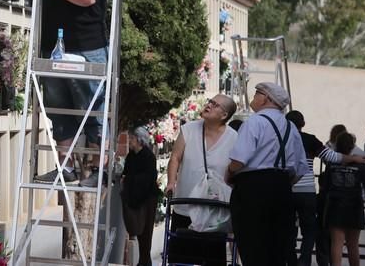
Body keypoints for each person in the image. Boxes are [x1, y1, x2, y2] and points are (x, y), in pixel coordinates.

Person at [0, 0, 109, 188]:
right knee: (59, 109)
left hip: (87, 48)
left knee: (92, 108)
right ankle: (65, 167)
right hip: (55, 48)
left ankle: (96, 171)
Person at [225, 82, 307, 266]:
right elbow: (301, 167)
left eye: (257, 93)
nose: (254, 96)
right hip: (282, 188)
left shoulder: (255, 121)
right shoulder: (291, 127)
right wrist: (283, 183)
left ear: (267, 98)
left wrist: (229, 172)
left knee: (252, 246)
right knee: (277, 248)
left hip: (253, 189)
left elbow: (239, 160)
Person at [284, 111, 365, 266]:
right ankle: (305, 259)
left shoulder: (280, 138)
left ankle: (291, 260)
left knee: (287, 228)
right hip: (307, 190)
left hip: (286, 190)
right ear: (303, 124)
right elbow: (331, 157)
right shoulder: (310, 140)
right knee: (309, 229)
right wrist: (353, 158)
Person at [165, 94, 238, 266]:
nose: (209, 105)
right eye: (210, 102)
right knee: (180, 257)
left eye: (215, 105)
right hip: (186, 203)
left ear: (224, 115)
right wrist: (171, 182)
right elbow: (175, 157)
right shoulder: (189, 129)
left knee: (212, 257)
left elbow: (236, 169)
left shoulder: (234, 138)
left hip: (215, 209)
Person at [324, 132, 365, 266]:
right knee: (353, 245)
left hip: (335, 205)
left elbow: (325, 185)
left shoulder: (331, 164)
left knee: (336, 244)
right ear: (352, 146)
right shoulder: (361, 165)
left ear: (337, 145)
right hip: (354, 205)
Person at [121, 126, 159, 266]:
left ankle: (144, 261)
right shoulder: (131, 155)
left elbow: (149, 178)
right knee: (137, 229)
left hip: (147, 198)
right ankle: (144, 262)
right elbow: (126, 171)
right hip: (135, 197)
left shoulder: (148, 156)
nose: (130, 141)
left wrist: (130, 179)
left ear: (139, 140)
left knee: (146, 233)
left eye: (132, 138)